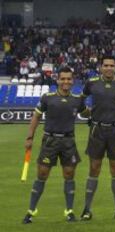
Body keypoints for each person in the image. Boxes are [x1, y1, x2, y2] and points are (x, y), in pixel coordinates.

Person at [22, 66, 87, 223]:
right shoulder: (47, 97)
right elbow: (36, 117)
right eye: (63, 78)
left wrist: (102, 110)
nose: (66, 81)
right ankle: (31, 211)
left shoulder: (77, 100)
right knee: (42, 174)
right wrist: (30, 137)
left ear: (73, 80)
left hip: (68, 141)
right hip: (50, 141)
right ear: (57, 80)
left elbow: (87, 113)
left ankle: (69, 211)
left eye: (69, 79)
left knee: (69, 175)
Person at [80, 55, 115, 221]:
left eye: (112, 65)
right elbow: (80, 102)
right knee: (94, 168)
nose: (109, 68)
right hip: (97, 130)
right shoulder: (92, 82)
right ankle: (86, 210)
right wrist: (89, 114)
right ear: (100, 67)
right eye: (106, 65)